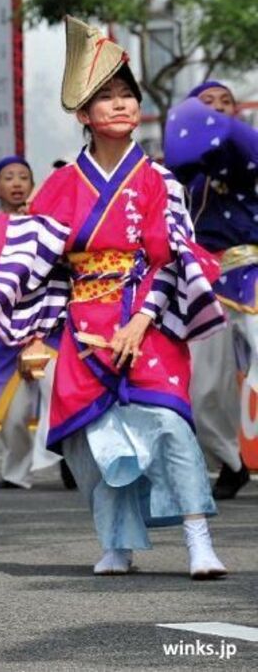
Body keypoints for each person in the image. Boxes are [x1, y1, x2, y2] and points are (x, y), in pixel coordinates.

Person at [0, 16, 228, 578]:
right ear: (83, 115)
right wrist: (36, 335)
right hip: (83, 326)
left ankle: (198, 540)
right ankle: (117, 542)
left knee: (169, 426)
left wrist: (140, 323)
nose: (121, 105)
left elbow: (171, 260)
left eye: (128, 96)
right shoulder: (62, 185)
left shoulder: (159, 180)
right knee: (91, 442)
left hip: (150, 323)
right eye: (107, 97)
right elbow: (41, 270)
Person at [163, 81, 253, 500]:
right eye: (206, 105)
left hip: (253, 275)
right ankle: (231, 462)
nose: (216, 110)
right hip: (207, 285)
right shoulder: (182, 174)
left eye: (225, 103)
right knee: (202, 389)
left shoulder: (246, 155)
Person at [0, 155, 63, 489]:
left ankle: (64, 454)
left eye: (24, 176)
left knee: (60, 391)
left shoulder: (47, 228)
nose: (17, 183)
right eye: (9, 177)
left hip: (47, 330)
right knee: (13, 414)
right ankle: (15, 470)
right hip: (4, 337)